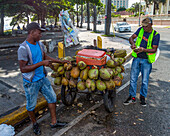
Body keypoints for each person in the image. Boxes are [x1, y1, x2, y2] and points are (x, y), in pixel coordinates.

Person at [17, 22, 70, 135]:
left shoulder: (40, 44)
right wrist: (41, 63)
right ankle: (34, 124)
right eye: (39, 33)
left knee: (52, 98)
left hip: (42, 79)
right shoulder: (23, 48)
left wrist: (60, 61)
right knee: (31, 105)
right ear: (32, 32)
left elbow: (45, 57)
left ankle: (54, 122)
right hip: (31, 82)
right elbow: (23, 69)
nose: (41, 35)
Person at [123, 17, 160, 106]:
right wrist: (133, 44)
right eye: (143, 26)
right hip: (137, 58)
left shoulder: (155, 35)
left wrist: (143, 50)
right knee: (133, 79)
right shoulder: (140, 30)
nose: (144, 28)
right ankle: (132, 97)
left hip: (146, 61)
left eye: (145, 27)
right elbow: (131, 38)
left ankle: (142, 97)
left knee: (144, 80)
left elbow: (154, 50)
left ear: (151, 25)